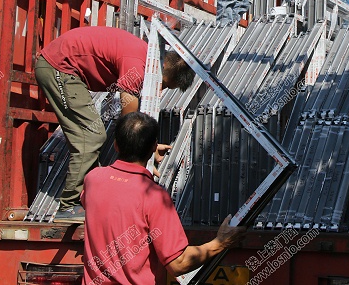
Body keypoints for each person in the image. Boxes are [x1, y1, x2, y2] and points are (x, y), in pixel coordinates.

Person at [35, 26, 195, 224]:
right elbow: (130, 128)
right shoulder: (138, 67)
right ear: (163, 69)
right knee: (91, 136)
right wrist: (143, 156)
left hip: (67, 69)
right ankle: (68, 206)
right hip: (58, 67)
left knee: (92, 137)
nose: (160, 92)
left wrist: (148, 149)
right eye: (163, 85)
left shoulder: (145, 57)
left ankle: (88, 197)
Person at [82, 112, 246, 284]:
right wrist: (221, 242)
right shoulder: (154, 197)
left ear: (115, 145)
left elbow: (113, 200)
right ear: (154, 147)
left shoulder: (93, 179)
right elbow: (178, 264)